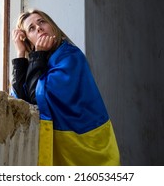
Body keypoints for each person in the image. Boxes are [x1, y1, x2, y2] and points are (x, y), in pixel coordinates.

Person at [11, 9, 120, 166]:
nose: (39, 28)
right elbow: (22, 99)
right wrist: (20, 52)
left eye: (42, 22)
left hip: (89, 147)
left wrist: (38, 55)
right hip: (64, 150)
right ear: (29, 42)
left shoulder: (70, 56)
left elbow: (38, 97)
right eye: (32, 28)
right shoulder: (39, 62)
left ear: (53, 26)